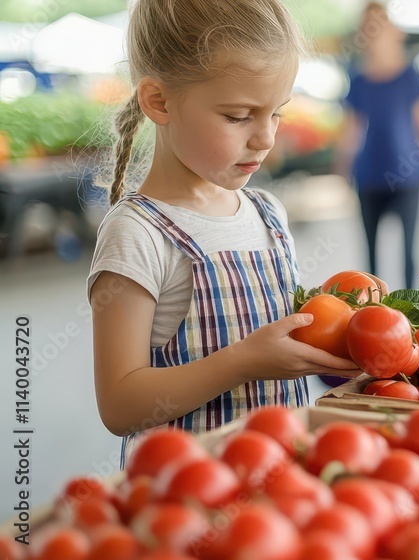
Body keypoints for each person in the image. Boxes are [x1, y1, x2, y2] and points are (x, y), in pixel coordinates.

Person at [88, 0, 363, 468]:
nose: (266, 138)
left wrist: (341, 348)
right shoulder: (137, 233)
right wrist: (244, 362)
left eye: (277, 113)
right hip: (189, 490)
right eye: (239, 116)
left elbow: (283, 355)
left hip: (281, 477)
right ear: (159, 101)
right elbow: (120, 405)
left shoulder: (268, 214)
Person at [338, 2, 419, 290]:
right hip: (368, 176)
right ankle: (372, 311)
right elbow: (352, 127)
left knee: (409, 252)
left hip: (407, 174)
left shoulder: (409, 75)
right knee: (370, 256)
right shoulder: (358, 79)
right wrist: (342, 167)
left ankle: (411, 315)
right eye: (367, 26)